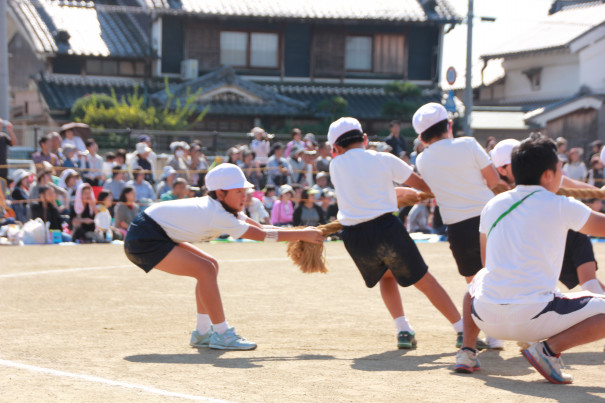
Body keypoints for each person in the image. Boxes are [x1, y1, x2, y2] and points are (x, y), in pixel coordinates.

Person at [123, 163, 324, 350]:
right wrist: (303, 234)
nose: (244, 196)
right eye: (238, 191)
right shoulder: (217, 213)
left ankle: (202, 333)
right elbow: (261, 236)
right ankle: (222, 333)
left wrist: (300, 231)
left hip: (154, 231)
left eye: (244, 191)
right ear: (220, 193)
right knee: (205, 269)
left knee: (210, 265)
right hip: (144, 238)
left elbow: (261, 227)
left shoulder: (226, 209)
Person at [462, 134, 605, 384]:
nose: (561, 174)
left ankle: (467, 351)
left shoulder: (492, 205)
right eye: (560, 168)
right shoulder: (560, 204)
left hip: (486, 318)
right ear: (548, 175)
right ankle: (548, 351)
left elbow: (487, 263)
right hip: (535, 318)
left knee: (477, 281)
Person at [328, 117, 464, 349]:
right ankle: (462, 329)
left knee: (387, 277)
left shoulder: (334, 166)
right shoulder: (383, 159)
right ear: (365, 139)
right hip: (385, 229)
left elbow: (365, 189)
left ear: (335, 149)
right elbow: (420, 185)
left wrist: (398, 193)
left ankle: (403, 329)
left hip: (354, 237)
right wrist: (432, 191)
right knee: (424, 280)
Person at [414, 102, 507, 351]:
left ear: (422, 138)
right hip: (489, 217)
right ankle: (506, 332)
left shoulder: (422, 159)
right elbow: (494, 180)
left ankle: (491, 333)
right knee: (500, 275)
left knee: (475, 284)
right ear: (450, 125)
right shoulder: (468, 144)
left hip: (456, 226)